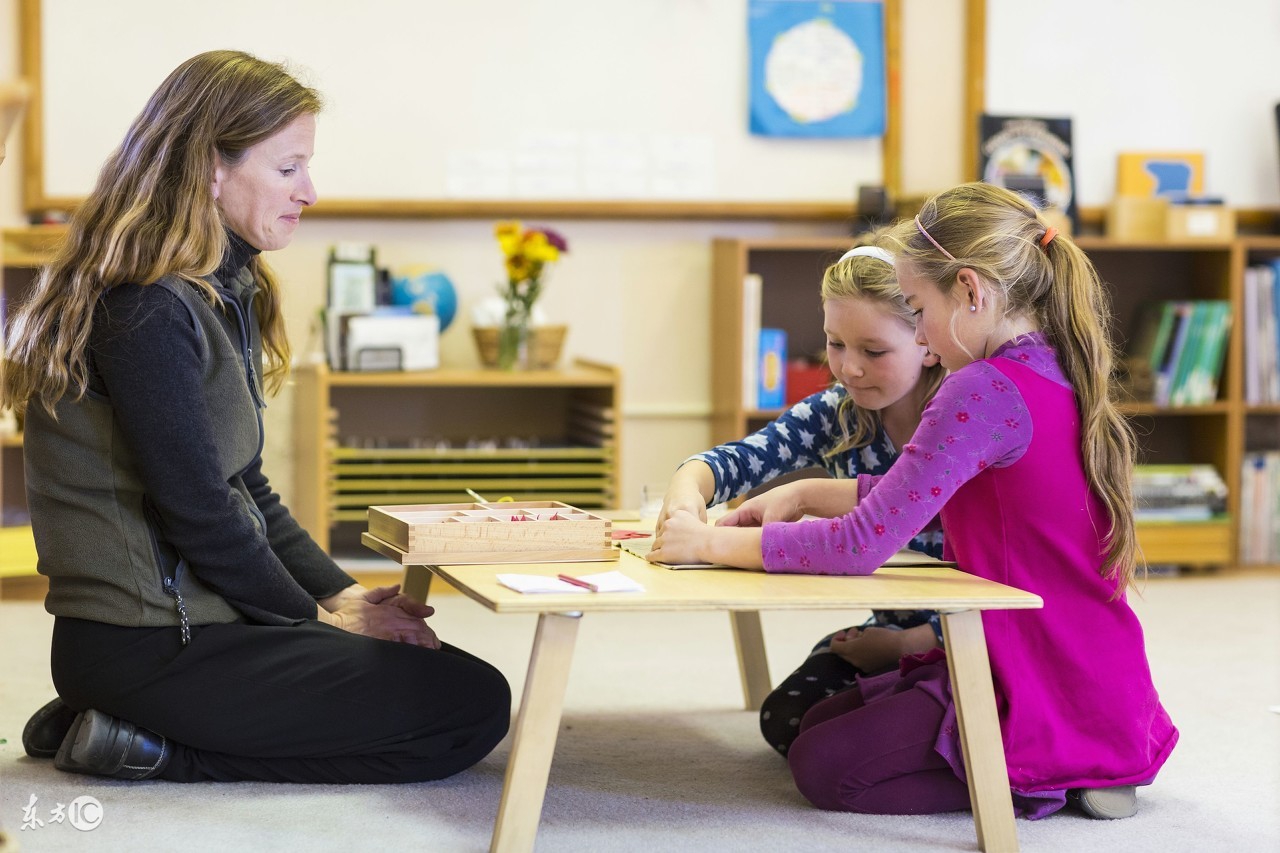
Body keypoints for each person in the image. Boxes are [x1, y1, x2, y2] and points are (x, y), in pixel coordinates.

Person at [2, 50, 510, 783]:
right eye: (288, 168)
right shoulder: (144, 307)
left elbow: (247, 487)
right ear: (211, 169)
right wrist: (316, 619)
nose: (309, 191)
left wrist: (339, 592)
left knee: (442, 678)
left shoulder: (219, 287)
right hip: (147, 643)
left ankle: (118, 718)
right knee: (468, 708)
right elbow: (201, 512)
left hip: (190, 628)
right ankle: (149, 742)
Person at [650, 182, 1178, 820]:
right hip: (1071, 658)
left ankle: (1051, 772)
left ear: (970, 291)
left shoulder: (979, 387)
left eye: (919, 308)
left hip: (1037, 663)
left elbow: (859, 545)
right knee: (814, 723)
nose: (922, 335)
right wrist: (811, 492)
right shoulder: (1047, 365)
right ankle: (1075, 757)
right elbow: (948, 496)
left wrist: (707, 544)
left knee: (825, 768)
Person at [656, 233, 947, 755]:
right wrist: (686, 493)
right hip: (888, 627)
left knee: (838, 742)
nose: (848, 368)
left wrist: (910, 645)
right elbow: (741, 459)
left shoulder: (959, 422)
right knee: (789, 721)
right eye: (835, 343)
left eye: (873, 351)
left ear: (927, 341)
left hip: (973, 638)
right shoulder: (839, 410)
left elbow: (1008, 583)